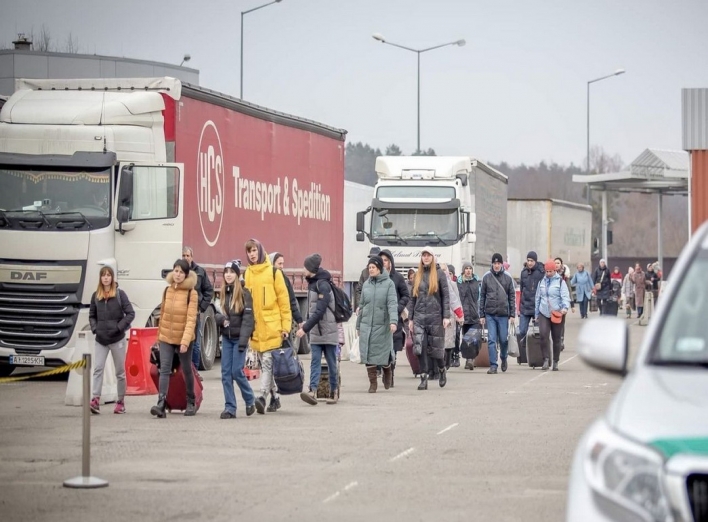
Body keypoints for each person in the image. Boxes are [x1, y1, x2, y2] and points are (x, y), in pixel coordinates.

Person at [243, 239, 292, 414]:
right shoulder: (247, 274)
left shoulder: (273, 273)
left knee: (267, 362)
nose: (252, 254)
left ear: (261, 251)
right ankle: (275, 399)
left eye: (254, 250)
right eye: (249, 251)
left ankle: (262, 396)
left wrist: (286, 327)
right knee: (266, 365)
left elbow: (284, 302)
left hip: (273, 327)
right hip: (256, 329)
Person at [150, 259, 199, 418]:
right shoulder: (167, 291)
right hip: (166, 337)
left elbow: (191, 319)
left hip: (184, 338)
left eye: (181, 272)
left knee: (186, 369)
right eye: (176, 271)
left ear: (186, 275)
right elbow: (162, 314)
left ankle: (191, 401)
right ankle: (161, 403)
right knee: (164, 369)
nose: (177, 275)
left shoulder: (192, 293)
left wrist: (185, 342)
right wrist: (159, 337)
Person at [88, 266, 135, 414]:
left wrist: (119, 327)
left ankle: (120, 402)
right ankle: (95, 399)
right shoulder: (96, 296)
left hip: (117, 339)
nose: (106, 278)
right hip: (101, 339)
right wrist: (96, 329)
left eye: (108, 275)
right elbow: (92, 315)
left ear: (112, 278)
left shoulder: (120, 295)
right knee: (98, 369)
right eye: (103, 275)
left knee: (120, 372)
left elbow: (130, 313)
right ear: (100, 278)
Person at [297, 254, 340, 405]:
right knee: (314, 361)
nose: (303, 270)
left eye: (305, 267)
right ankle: (312, 390)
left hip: (328, 330)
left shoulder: (323, 285)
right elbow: (312, 309)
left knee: (331, 362)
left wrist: (306, 328)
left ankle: (334, 391)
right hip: (316, 331)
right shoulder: (312, 283)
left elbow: (320, 310)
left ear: (311, 269)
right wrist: (305, 323)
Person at [215, 261, 255, 419]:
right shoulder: (223, 293)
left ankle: (250, 398)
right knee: (225, 373)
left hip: (239, 339)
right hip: (227, 337)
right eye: (226, 272)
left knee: (236, 371)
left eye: (232, 272)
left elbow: (248, 320)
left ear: (237, 275)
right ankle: (230, 407)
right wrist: (220, 319)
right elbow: (216, 312)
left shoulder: (245, 294)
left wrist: (244, 341)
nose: (228, 275)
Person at [407, 247, 450, 390]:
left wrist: (446, 316)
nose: (425, 258)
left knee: (436, 350)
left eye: (428, 255)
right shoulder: (417, 275)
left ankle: (442, 369)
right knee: (420, 348)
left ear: (432, 257)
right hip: (419, 317)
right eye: (423, 255)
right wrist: (411, 319)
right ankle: (423, 377)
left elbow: (446, 297)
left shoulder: (439, 274)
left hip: (435, 316)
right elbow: (412, 299)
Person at [355, 256, 398, 393]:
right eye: (369, 268)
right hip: (367, 324)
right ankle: (373, 383)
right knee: (368, 354)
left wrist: (393, 321)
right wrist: (358, 325)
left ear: (379, 268)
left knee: (383, 355)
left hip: (382, 325)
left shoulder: (389, 284)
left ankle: (387, 372)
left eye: (373, 267)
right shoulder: (366, 284)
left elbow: (392, 304)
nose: (371, 270)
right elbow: (361, 306)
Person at [378, 249, 410, 387]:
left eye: (385, 260)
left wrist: (398, 308)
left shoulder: (397, 277)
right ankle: (384, 371)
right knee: (381, 347)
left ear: (390, 262)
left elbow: (405, 295)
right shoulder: (374, 277)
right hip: (379, 318)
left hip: (394, 317)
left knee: (393, 348)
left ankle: (391, 373)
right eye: (381, 260)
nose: (383, 263)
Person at [480, 253, 516, 374]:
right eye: (494, 263)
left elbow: (512, 296)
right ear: (492, 264)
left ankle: (504, 358)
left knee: (503, 339)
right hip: (490, 314)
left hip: (503, 314)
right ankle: (493, 365)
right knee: (491, 340)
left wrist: (512, 314)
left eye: (498, 263)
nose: (496, 265)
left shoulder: (507, 278)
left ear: (501, 264)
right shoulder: (486, 277)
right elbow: (482, 296)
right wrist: (482, 315)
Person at [182, 247, 214, 379]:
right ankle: (184, 371)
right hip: (182, 313)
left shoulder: (200, 272)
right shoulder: (178, 272)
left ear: (192, 257)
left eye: (188, 255)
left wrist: (202, 307)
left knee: (195, 343)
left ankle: (194, 371)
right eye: (183, 255)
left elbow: (208, 291)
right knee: (184, 343)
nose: (185, 258)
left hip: (195, 313)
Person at [534, 259, 570, 371]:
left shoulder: (560, 282)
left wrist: (565, 308)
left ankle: (555, 361)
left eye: (550, 271)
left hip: (557, 313)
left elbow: (565, 296)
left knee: (556, 338)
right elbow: (538, 297)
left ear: (555, 271)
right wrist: (536, 313)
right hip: (544, 312)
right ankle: (545, 359)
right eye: (547, 271)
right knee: (543, 335)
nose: (548, 273)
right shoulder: (542, 282)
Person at [270, 252, 304, 344]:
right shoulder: (266, 280)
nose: (282, 266)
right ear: (271, 263)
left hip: (282, 322)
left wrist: (299, 320)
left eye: (283, 263)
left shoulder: (285, 279)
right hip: (270, 323)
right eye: (279, 263)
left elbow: (291, 301)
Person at [518, 251, 544, 357]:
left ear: (535, 261)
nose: (529, 263)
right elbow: (521, 289)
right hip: (525, 306)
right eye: (528, 260)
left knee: (538, 333)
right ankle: (526, 349)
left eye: (532, 261)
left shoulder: (541, 272)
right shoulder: (523, 272)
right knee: (522, 330)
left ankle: (538, 353)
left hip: (537, 307)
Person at [458, 261, 482, 370]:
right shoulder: (459, 283)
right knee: (466, 338)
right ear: (463, 270)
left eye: (470, 268)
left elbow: (480, 299)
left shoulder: (477, 283)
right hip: (464, 316)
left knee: (473, 338)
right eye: (466, 268)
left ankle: (471, 358)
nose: (468, 270)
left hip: (475, 315)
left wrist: (482, 314)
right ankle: (469, 359)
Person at [440, 263, 464, 369]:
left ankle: (448, 359)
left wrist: (459, 315)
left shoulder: (453, 284)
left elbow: (456, 299)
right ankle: (441, 361)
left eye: (445, 270)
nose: (444, 272)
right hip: (440, 314)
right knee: (441, 339)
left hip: (451, 314)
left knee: (449, 339)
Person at [355, 246, 381, 312]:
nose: (373, 259)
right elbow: (359, 290)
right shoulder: (364, 272)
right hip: (366, 308)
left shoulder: (384, 273)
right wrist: (360, 305)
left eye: (375, 257)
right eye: (371, 257)